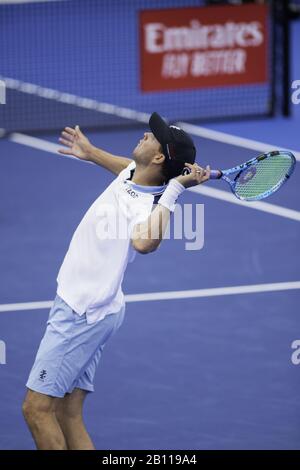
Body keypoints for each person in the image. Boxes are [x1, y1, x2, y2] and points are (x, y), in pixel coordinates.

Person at [22, 112, 210, 450]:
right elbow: (125, 168)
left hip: (81, 312)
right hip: (103, 307)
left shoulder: (149, 206)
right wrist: (91, 152)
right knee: (68, 413)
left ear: (158, 157)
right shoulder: (136, 174)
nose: (145, 134)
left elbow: (144, 243)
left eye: (152, 136)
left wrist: (176, 190)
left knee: (36, 410)